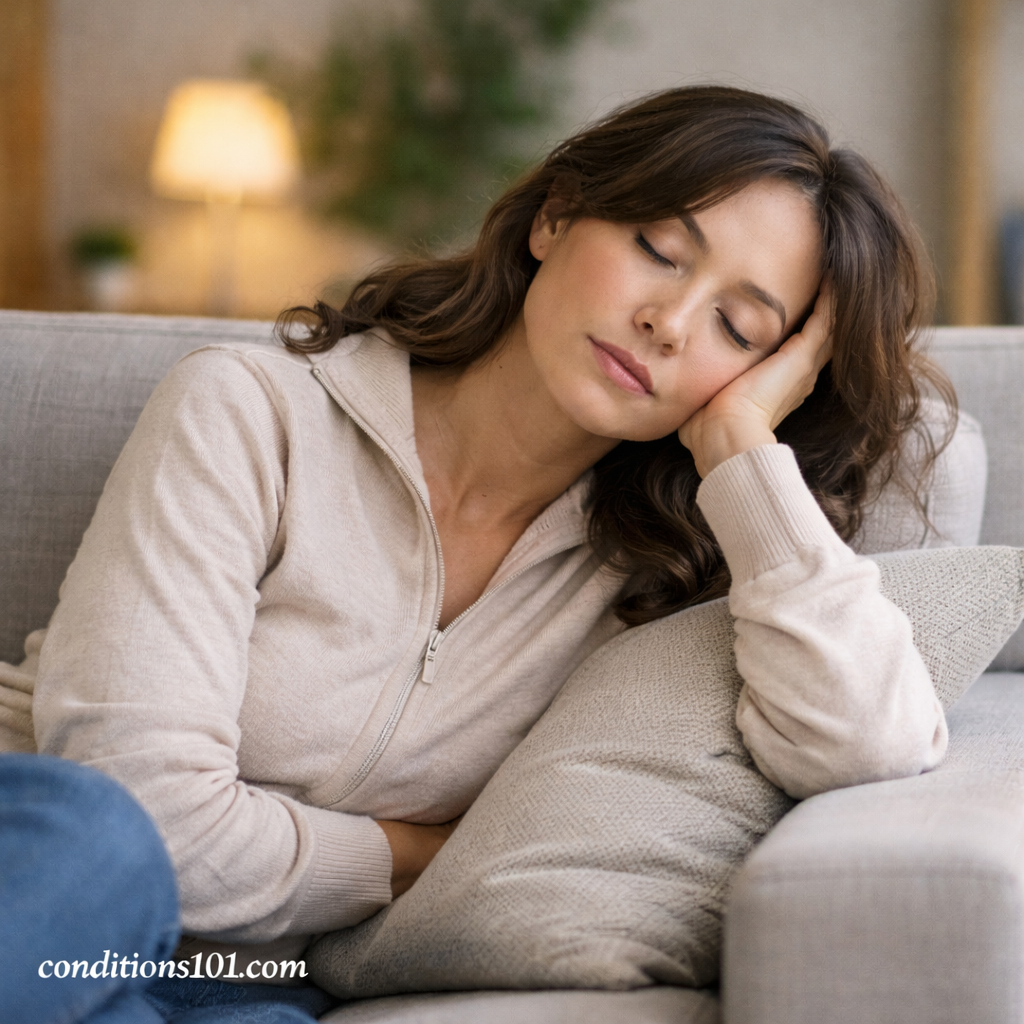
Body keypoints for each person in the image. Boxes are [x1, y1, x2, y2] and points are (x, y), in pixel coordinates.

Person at [2, 86, 953, 1021]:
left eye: (738, 327)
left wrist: (743, 449)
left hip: (239, 987)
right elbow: (146, 829)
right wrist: (418, 854)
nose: (669, 320)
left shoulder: (661, 571)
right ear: (556, 215)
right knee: (97, 840)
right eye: (660, 251)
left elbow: (875, 746)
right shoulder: (250, 414)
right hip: (46, 890)